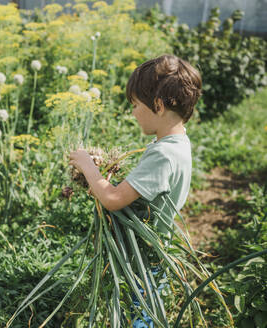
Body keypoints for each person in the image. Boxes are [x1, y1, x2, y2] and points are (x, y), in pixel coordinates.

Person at [69, 54, 202, 327]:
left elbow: (114, 199)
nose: (132, 112)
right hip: (155, 250)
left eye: (135, 105)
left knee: (141, 315)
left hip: (145, 256)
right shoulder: (178, 143)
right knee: (146, 310)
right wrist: (102, 176)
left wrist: (87, 167)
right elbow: (137, 191)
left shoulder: (163, 155)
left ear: (158, 105)